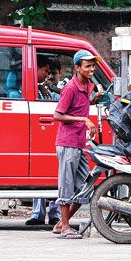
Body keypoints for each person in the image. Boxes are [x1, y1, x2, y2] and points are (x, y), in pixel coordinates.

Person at [52, 50, 103, 239]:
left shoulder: (88, 85)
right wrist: (83, 119)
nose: (92, 69)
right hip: (67, 143)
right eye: (88, 65)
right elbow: (58, 115)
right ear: (77, 68)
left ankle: (60, 224)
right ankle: (65, 227)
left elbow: (79, 106)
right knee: (66, 185)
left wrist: (93, 100)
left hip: (79, 143)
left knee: (85, 186)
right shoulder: (71, 87)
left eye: (93, 65)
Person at [25, 55, 61, 226]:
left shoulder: (60, 89)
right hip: (43, 134)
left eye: (52, 73)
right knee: (41, 175)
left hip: (56, 134)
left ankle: (55, 213)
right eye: (47, 72)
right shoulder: (37, 88)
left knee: (57, 176)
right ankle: (37, 213)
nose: (49, 77)